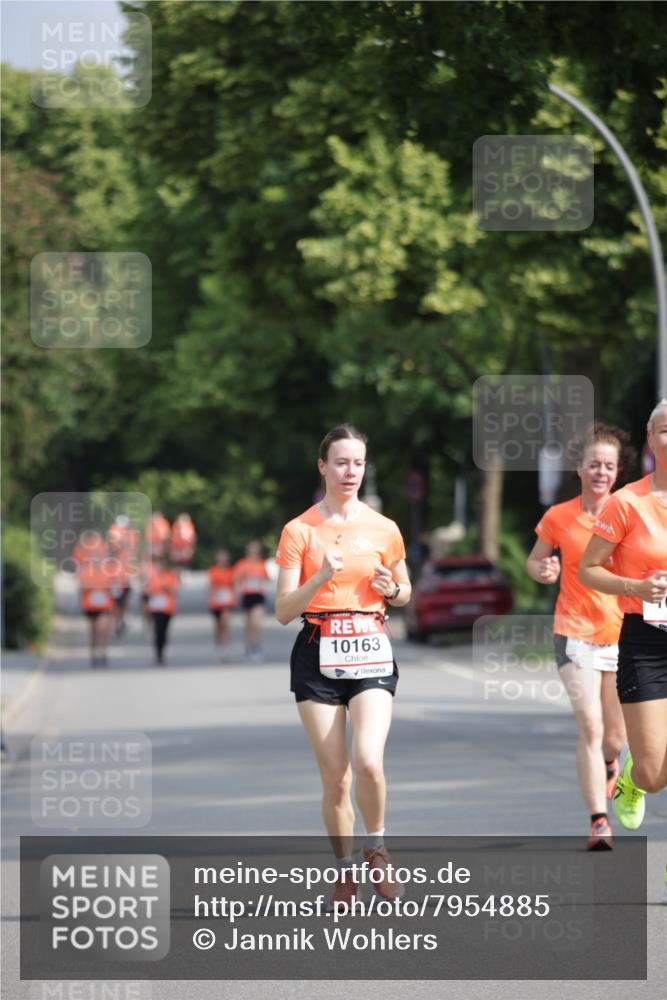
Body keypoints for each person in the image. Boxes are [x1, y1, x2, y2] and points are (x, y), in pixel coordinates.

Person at [275, 424, 411, 907]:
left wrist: (392, 589)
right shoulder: (298, 530)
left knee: (369, 760)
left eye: (358, 463)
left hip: (371, 647)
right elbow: (283, 610)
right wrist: (319, 578)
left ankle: (376, 848)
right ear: (323, 467)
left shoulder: (384, 528)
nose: (350, 472)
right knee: (337, 779)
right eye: (341, 463)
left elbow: (404, 591)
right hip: (317, 650)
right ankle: (344, 868)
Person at [526, 424, 634, 849]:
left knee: (615, 738)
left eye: (608, 466)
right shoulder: (559, 516)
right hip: (573, 631)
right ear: (579, 468)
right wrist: (544, 570)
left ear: (617, 471)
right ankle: (598, 821)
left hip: (622, 633)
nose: (601, 472)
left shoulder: (629, 513)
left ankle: (610, 763)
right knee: (590, 725)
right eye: (594, 464)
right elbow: (535, 561)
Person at [580, 400, 667, 830]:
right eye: (665, 430)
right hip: (647, 640)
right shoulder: (627, 502)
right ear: (651, 439)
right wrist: (636, 587)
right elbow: (588, 569)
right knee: (654, 775)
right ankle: (633, 778)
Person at [75, 532, 114, 667]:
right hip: (90, 605)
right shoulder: (85, 572)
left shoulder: (108, 571)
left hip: (104, 606)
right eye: (94, 557)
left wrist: (110, 588)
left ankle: (103, 653)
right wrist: (85, 587)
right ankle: (93, 654)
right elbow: (80, 588)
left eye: (99, 557)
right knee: (93, 632)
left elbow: (114, 588)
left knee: (102, 629)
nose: (97, 559)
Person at [234, 541, 270, 662]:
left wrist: (263, 586)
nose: (253, 552)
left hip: (258, 596)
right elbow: (236, 579)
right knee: (248, 624)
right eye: (251, 550)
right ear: (247, 551)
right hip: (247, 595)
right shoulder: (242, 564)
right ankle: (249, 646)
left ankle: (256, 647)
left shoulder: (261, 564)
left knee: (256, 623)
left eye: (255, 550)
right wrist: (238, 589)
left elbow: (265, 579)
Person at [144, 559, 180, 665]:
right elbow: (146, 592)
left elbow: (175, 591)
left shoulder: (171, 576)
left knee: (164, 630)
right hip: (155, 607)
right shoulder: (152, 577)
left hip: (167, 608)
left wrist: (167, 588)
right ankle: (158, 652)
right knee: (157, 629)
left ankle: (162, 650)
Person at [208, 549, 237, 660]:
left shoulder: (231, 571)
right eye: (220, 557)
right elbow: (209, 585)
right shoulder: (213, 570)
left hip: (227, 601)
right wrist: (213, 593)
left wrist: (234, 596)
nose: (222, 559)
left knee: (225, 624)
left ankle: (226, 648)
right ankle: (219, 645)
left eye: (224, 557)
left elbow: (234, 585)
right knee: (218, 626)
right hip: (216, 602)